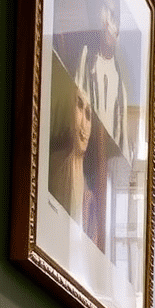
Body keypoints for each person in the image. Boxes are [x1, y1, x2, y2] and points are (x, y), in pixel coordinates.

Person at [75, 0, 130, 161]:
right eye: (103, 11)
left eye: (113, 16)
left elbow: (122, 142)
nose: (107, 22)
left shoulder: (119, 84)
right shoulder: (86, 58)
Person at [47, 73, 100, 247]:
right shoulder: (49, 168)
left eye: (88, 115)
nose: (84, 125)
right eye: (79, 106)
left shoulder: (90, 199)